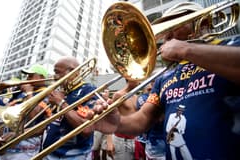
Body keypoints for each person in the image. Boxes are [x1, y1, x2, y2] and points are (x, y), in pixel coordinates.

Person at [91, 2, 240, 160]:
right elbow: (143, 119)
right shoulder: (164, 77)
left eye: (173, 25)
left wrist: (185, 50)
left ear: (200, 22)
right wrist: (117, 124)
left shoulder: (231, 47)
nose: (166, 35)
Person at [42, 56, 97, 160]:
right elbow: (49, 124)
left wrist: (61, 103)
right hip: (48, 154)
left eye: (57, 72)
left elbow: (86, 129)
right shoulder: (62, 92)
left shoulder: (89, 90)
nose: (54, 77)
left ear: (74, 72)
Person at [0, 64, 50, 160]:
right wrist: (0, 138)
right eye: (27, 76)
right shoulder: (20, 93)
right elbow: (4, 115)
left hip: (26, 148)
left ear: (41, 77)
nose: (27, 78)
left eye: (31, 75)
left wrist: (29, 93)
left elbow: (33, 118)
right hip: (6, 141)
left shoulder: (47, 94)